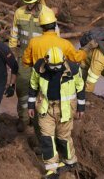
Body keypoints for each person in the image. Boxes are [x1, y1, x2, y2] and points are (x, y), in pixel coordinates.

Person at [9, 0, 59, 132]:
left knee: (42, 92)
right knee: (22, 90)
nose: (27, 5)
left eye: (30, 2)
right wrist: (13, 54)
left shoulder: (47, 13)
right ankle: (24, 119)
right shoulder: (19, 12)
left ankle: (39, 122)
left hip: (43, 61)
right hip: (24, 59)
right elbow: (14, 35)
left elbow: (55, 39)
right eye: (25, 1)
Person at [28, 47, 85, 179]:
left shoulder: (73, 69)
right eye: (52, 66)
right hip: (45, 108)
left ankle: (70, 161)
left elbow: (80, 87)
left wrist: (81, 108)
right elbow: (33, 85)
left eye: (58, 66)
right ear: (46, 61)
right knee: (47, 138)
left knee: (63, 137)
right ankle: (51, 169)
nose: (55, 69)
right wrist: (31, 106)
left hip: (65, 109)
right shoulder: (39, 67)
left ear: (64, 60)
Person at [22, 7, 86, 67]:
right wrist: (85, 49)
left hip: (38, 77)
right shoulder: (65, 44)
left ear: (41, 27)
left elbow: (26, 61)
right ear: (55, 25)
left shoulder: (33, 42)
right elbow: (77, 58)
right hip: (57, 77)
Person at [81, 28, 104, 103]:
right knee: (80, 86)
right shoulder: (100, 58)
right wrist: (88, 98)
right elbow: (91, 81)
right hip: (85, 65)